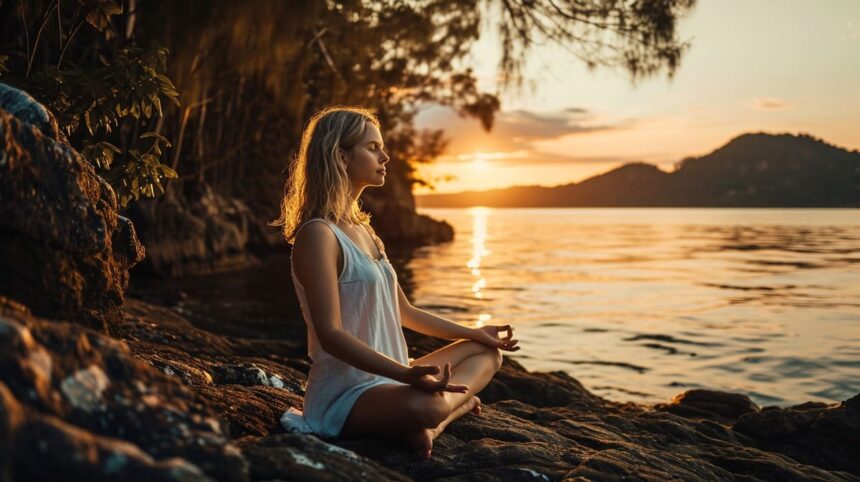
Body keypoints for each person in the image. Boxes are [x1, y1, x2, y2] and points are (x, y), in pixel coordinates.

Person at [273, 106, 520, 459]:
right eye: (373, 147)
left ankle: (434, 424)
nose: (385, 156)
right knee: (428, 407)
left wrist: (473, 331)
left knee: (488, 353)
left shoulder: (365, 231)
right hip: (347, 394)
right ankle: (444, 415)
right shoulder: (318, 235)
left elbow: (405, 311)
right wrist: (406, 374)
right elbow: (331, 333)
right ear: (341, 156)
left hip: (391, 378)